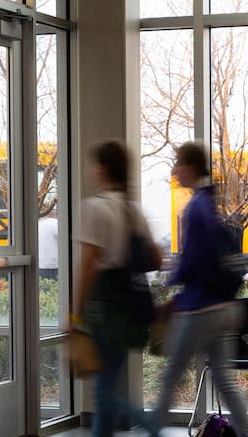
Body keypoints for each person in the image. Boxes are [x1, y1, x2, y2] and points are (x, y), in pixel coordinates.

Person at [150, 142, 248, 437]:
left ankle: (152, 431)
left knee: (170, 377)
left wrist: (173, 280)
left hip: (200, 309)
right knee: (225, 381)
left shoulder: (195, 207)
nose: (174, 170)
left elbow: (195, 259)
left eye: (178, 164)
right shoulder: (211, 202)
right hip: (225, 308)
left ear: (191, 168)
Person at [72, 139, 161, 437]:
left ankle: (150, 426)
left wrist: (75, 315)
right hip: (129, 309)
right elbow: (157, 259)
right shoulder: (133, 211)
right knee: (106, 383)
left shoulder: (95, 208)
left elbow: (87, 267)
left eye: (92, 165)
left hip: (104, 306)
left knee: (103, 390)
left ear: (102, 168)